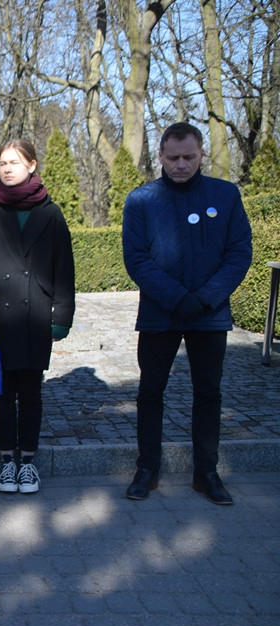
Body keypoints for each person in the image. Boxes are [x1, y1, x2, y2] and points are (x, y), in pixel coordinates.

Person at [122, 122, 252, 505]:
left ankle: (206, 473)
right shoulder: (141, 200)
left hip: (209, 316)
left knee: (208, 393)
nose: (181, 165)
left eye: (189, 157)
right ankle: (147, 470)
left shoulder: (225, 196)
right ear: (160, 156)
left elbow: (238, 253)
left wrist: (207, 297)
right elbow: (137, 259)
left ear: (201, 155)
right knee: (150, 392)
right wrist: (178, 298)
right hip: (160, 315)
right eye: (173, 157)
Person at [0, 138, 76, 494]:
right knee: (1, 393)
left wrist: (61, 317)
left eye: (14, 162)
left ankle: (28, 462)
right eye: (2, 163)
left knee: (30, 393)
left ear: (32, 165)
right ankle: (6, 461)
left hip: (35, 316)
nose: (7, 168)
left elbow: (64, 269)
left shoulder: (51, 214)